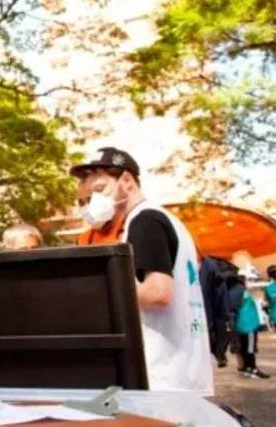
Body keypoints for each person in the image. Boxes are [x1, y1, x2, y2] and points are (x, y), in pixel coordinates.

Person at [72, 147, 213, 396]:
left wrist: (95, 295)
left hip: (161, 372)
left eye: (99, 190)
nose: (95, 201)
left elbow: (158, 293)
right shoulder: (163, 219)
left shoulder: (144, 221)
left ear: (126, 181)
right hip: (181, 369)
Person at [233, 277, 270, 379]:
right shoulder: (243, 293)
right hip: (248, 325)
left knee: (244, 348)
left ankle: (246, 368)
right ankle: (252, 369)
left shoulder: (232, 293)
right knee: (250, 348)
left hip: (240, 325)